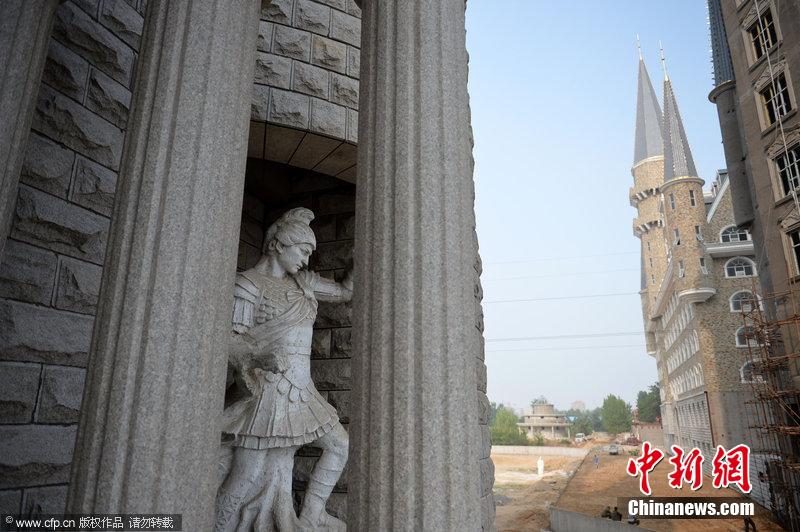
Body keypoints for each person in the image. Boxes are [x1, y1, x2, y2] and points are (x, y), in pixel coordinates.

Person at [215, 208, 353, 531]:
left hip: (301, 392)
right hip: (266, 394)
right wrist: (259, 356)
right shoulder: (248, 285)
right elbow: (229, 343)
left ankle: (310, 516)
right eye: (303, 252)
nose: (306, 261)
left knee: (339, 445)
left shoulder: (302, 283)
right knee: (246, 475)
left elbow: (347, 292)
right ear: (279, 244)